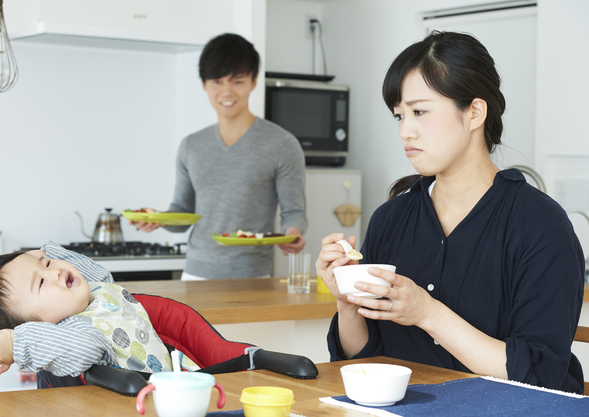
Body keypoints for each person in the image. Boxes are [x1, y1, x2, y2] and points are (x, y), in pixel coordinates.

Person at [315, 31, 585, 394]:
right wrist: (347, 302)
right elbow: (362, 360)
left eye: (420, 112)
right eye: (399, 116)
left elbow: (539, 375)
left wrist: (428, 313)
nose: (405, 131)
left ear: (474, 112)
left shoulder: (540, 225)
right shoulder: (390, 218)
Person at [133, 33, 308, 280]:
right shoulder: (191, 145)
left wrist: (293, 232)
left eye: (237, 81)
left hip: (253, 277)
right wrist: (158, 220)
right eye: (217, 81)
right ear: (204, 84)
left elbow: (294, 211)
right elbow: (182, 214)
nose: (226, 91)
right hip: (195, 275)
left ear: (254, 81)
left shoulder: (282, 144)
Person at [0, 241, 193, 388]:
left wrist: (49, 250)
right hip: (146, 403)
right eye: (41, 282)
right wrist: (17, 342)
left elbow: (95, 271)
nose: (56, 272)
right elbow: (83, 349)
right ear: (37, 327)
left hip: (182, 382)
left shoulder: (95, 290)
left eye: (48, 264)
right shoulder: (77, 331)